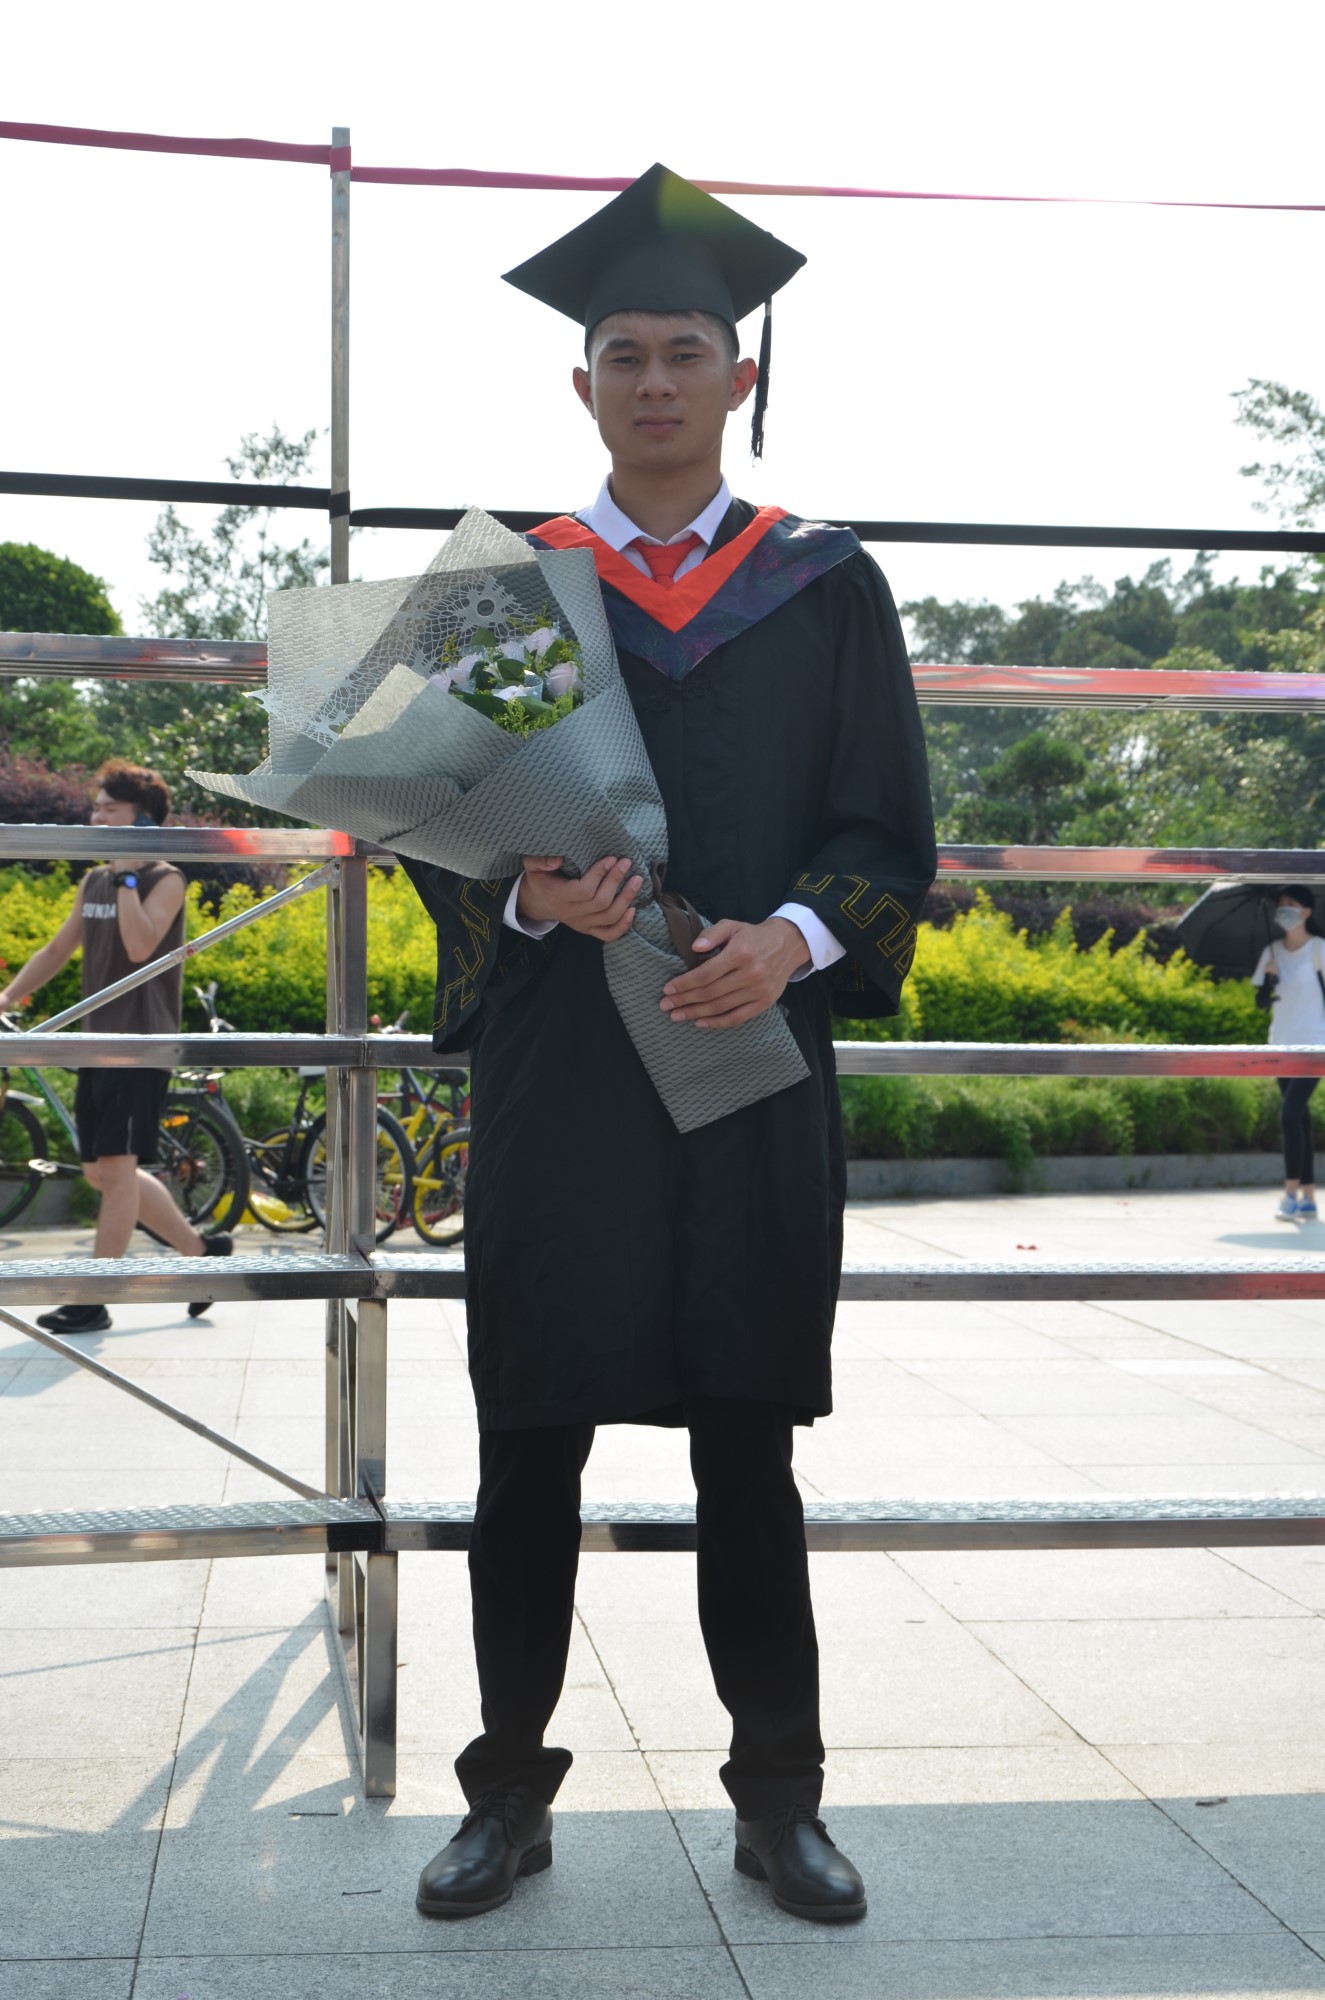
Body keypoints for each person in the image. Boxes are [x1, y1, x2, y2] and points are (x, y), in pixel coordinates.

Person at [400, 165, 936, 1926]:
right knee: (528, 1439)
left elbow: (884, 834)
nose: (653, 380)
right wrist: (525, 895)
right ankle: (503, 1797)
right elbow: (426, 827)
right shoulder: (506, 586)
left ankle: (781, 1801)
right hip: (564, 1078)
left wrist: (791, 942)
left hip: (747, 1061)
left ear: (738, 377)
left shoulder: (825, 584)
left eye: (685, 352)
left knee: (747, 1443)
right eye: (623, 353)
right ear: (582, 384)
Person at [0, 758, 232, 1329]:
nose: (96, 816)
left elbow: (138, 946)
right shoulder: (95, 880)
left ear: (143, 819)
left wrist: (129, 875)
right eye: (96, 807)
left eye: (110, 809)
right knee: (102, 1174)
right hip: (96, 1043)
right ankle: (202, 1253)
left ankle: (94, 1297)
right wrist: (6, 997)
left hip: (140, 1045)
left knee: (119, 1167)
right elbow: (57, 950)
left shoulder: (165, 879)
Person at [1253, 884, 1325, 1222]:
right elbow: (1260, 1003)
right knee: (1299, 1118)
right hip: (1281, 1044)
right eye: (1281, 904)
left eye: (1291, 904)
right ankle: (1309, 1198)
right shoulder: (1271, 951)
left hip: (1315, 1045)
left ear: (1307, 911)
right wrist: (1269, 980)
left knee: (1289, 1114)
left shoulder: (1319, 949)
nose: (1284, 909)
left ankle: (1290, 1195)